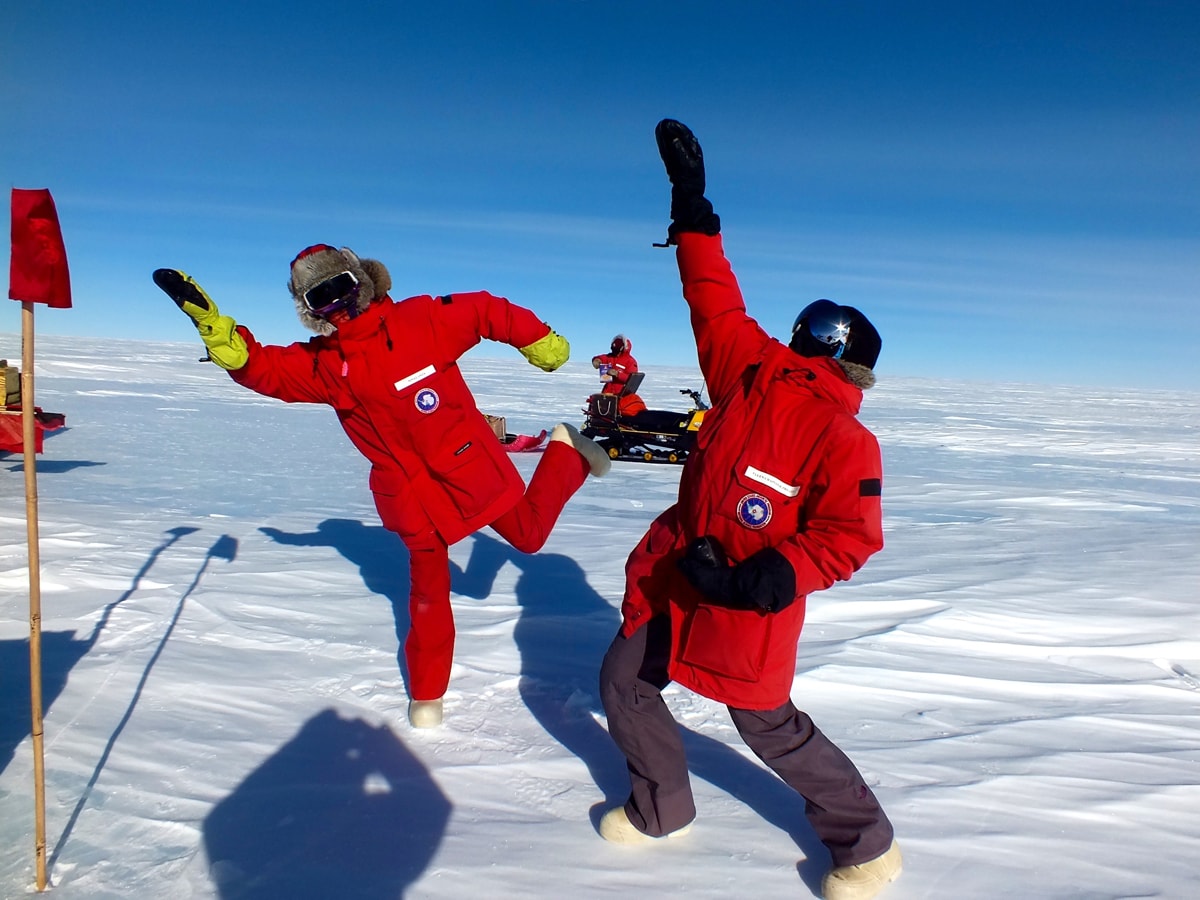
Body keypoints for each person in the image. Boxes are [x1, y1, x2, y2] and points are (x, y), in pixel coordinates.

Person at [596, 120, 901, 900]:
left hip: (744, 605)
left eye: (814, 333)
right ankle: (662, 810)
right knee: (625, 681)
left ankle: (867, 844)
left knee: (768, 726)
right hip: (675, 575)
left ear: (837, 354)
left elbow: (847, 538)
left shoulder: (843, 439)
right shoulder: (747, 372)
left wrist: (759, 579)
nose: (799, 335)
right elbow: (712, 296)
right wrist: (692, 210)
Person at [153, 244, 611, 728]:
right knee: (427, 594)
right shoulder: (326, 365)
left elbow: (482, 309)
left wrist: (537, 339)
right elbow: (265, 369)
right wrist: (217, 331)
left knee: (528, 536)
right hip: (408, 495)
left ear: (363, 282)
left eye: (341, 287)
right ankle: (428, 692)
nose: (336, 303)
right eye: (319, 297)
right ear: (309, 310)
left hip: (467, 468)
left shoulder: (420, 322)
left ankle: (567, 451)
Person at [591, 334, 646, 416]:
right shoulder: (610, 357)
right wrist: (597, 360)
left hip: (622, 395)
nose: (615, 353)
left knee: (618, 415)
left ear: (623, 349)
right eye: (613, 350)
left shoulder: (630, 361)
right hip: (608, 392)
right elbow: (602, 357)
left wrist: (617, 374)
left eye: (617, 351)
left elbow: (631, 379)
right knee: (601, 412)